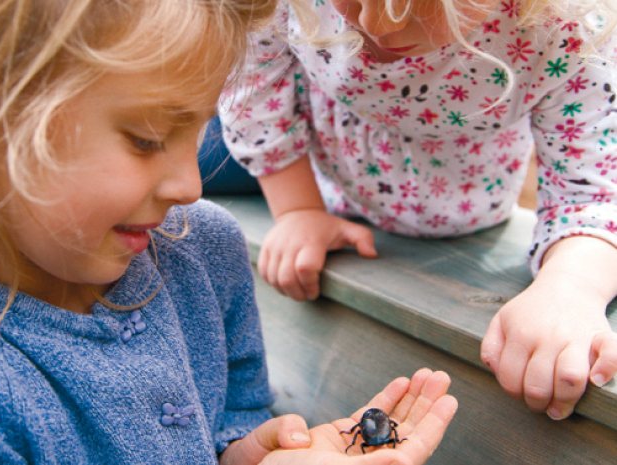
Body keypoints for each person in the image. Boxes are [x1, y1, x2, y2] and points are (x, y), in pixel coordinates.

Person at [0, 1, 458, 463]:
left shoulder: (205, 251)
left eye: (198, 134)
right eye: (147, 138)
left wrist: (245, 456)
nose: (191, 187)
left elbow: (230, 421)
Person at [218, 0, 617, 421]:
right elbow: (254, 89)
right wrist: (297, 208)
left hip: (466, 204)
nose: (376, 25)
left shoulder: (566, 28)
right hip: (324, 175)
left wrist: (570, 286)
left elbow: (592, 190)